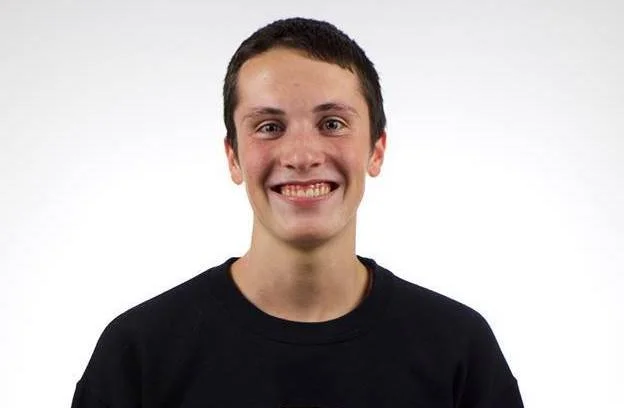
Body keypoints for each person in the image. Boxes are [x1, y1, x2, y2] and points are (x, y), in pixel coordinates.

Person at [71, 17, 524, 407]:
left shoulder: (460, 350)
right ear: (233, 157)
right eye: (269, 127)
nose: (302, 155)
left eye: (332, 123)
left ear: (376, 150)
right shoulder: (139, 354)